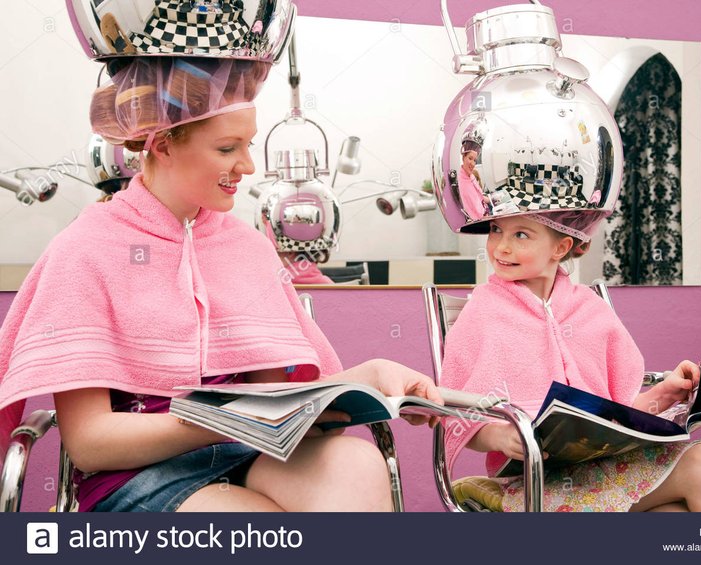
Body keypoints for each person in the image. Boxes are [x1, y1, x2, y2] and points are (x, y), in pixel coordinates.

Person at [0, 56, 440, 512]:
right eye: (228, 149)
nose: (247, 166)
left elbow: (280, 400)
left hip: (248, 455)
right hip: (136, 477)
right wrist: (223, 418)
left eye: (248, 145)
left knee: (357, 465)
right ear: (163, 143)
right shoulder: (86, 248)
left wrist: (370, 378)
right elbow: (91, 443)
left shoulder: (247, 248)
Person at [440, 209, 701, 512]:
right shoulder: (483, 312)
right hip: (532, 483)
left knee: (676, 512)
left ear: (560, 247)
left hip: (604, 469)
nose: (502, 246)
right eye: (496, 230)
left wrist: (665, 394)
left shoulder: (589, 309)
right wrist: (499, 436)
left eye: (521, 234)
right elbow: (456, 411)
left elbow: (614, 415)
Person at [457, 142, 490, 220]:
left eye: (475, 160)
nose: (473, 164)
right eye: (470, 158)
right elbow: (472, 210)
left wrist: (492, 199)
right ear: (463, 158)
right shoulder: (460, 182)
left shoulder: (471, 175)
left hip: (486, 209)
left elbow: (479, 196)